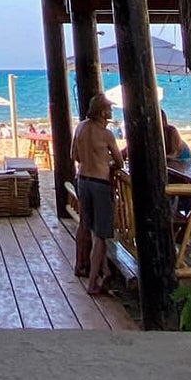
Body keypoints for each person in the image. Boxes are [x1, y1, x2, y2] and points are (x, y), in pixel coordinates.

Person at [70, 92, 123, 296]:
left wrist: (91, 159)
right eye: (109, 108)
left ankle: (84, 265)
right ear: (102, 112)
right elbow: (119, 162)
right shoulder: (106, 134)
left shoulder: (81, 127)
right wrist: (105, 162)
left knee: (86, 225)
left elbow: (74, 155)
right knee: (100, 235)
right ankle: (93, 282)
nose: (111, 111)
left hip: (82, 180)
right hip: (100, 183)